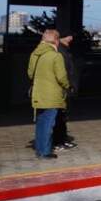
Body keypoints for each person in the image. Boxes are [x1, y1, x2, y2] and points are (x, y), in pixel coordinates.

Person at [28, 29, 71, 160]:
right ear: (56, 41)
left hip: (38, 94)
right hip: (51, 96)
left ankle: (40, 149)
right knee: (48, 125)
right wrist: (68, 86)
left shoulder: (35, 54)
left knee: (41, 124)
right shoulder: (55, 56)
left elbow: (30, 74)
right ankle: (45, 152)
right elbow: (61, 77)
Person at [52, 32, 80, 151]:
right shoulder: (60, 52)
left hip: (65, 88)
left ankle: (62, 139)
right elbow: (63, 74)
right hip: (62, 89)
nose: (70, 39)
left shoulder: (64, 51)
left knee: (62, 116)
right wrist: (68, 86)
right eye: (67, 37)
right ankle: (58, 141)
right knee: (59, 116)